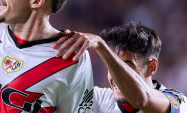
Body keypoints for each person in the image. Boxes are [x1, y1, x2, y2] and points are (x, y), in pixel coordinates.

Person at [53, 21, 187, 113]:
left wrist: (101, 46)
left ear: (152, 67)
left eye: (126, 67)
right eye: (112, 65)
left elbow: (142, 99)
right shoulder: (98, 99)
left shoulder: (177, 101)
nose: (116, 76)